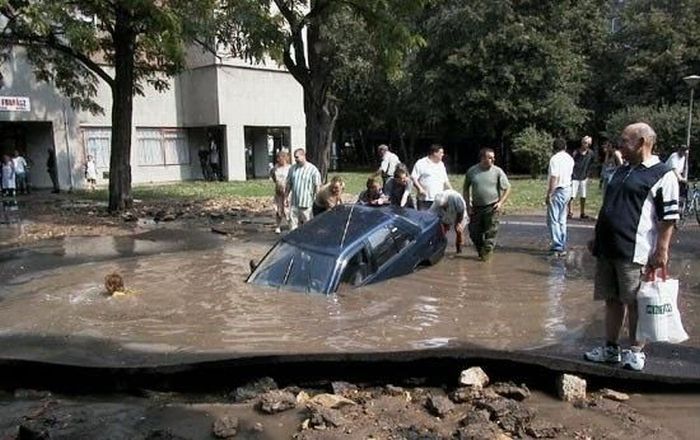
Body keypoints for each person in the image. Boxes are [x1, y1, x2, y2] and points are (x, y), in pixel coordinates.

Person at [584, 122, 679, 371]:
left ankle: (636, 352)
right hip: (608, 248)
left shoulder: (662, 174)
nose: (620, 146)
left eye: (624, 141)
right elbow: (608, 207)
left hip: (634, 250)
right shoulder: (622, 170)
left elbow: (669, 218)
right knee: (612, 300)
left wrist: (662, 250)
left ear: (641, 143)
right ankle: (611, 349)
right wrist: (597, 237)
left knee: (635, 302)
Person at [463, 148, 511, 261]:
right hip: (476, 207)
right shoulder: (472, 171)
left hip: (492, 207)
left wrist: (500, 203)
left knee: (491, 233)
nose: (492, 160)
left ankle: (486, 257)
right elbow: (465, 189)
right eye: (489, 157)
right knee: (474, 232)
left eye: (493, 158)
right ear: (482, 158)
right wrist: (468, 206)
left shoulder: (497, 171)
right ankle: (481, 251)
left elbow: (508, 188)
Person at [546, 138, 574, 257]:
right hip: (567, 189)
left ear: (554, 147)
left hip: (558, 189)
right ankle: (562, 243)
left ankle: (557, 246)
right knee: (562, 219)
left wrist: (549, 194)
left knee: (553, 219)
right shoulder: (570, 158)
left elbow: (554, 177)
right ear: (565, 147)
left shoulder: (554, 159)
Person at [285, 148, 321, 231]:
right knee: (292, 225)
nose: (295, 159)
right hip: (294, 203)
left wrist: (316, 200)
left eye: (297, 157)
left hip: (307, 204)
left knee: (308, 226)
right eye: (295, 157)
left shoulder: (313, 170)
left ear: (303, 155)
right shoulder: (292, 169)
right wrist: (286, 197)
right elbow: (289, 184)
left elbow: (317, 186)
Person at [411, 144, 452, 210]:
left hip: (439, 200)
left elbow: (445, 180)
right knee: (424, 219)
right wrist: (420, 189)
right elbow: (414, 178)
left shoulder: (441, 164)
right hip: (424, 200)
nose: (443, 154)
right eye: (441, 153)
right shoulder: (421, 163)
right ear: (435, 153)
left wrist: (452, 191)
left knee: (437, 219)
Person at [430, 189, 467, 254]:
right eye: (442, 206)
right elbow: (431, 215)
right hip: (447, 214)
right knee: (442, 231)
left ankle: (459, 250)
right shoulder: (436, 203)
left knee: (459, 231)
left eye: (444, 205)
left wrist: (458, 223)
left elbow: (461, 210)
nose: (444, 207)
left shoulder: (455, 197)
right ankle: (439, 250)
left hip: (460, 213)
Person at [569, 135, 595, 219]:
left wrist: (588, 175)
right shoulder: (576, 152)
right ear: (582, 142)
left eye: (588, 143)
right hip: (575, 176)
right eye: (585, 142)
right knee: (572, 195)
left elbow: (591, 164)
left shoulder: (591, 153)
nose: (586, 145)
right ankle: (570, 212)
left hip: (584, 177)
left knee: (583, 195)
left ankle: (582, 212)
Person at [270, 150, 291, 234]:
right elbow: (274, 178)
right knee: (278, 210)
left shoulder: (290, 168)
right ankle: (278, 226)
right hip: (279, 192)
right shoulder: (275, 168)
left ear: (285, 158)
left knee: (288, 210)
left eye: (280, 158)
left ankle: (291, 225)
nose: (278, 160)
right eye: (278, 158)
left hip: (288, 192)